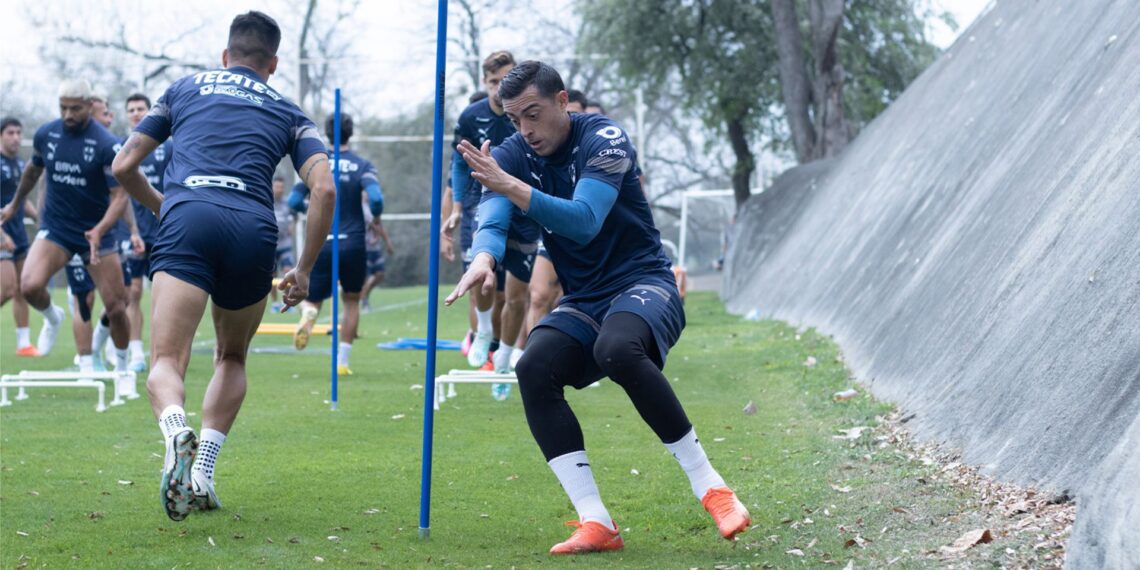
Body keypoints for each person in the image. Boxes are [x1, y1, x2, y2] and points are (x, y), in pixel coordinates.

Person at [448, 61, 749, 554]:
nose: (524, 129)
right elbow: (494, 216)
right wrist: (483, 256)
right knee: (534, 366)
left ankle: (712, 487)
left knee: (618, 349)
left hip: (643, 282)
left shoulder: (604, 138)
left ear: (563, 102)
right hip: (584, 297)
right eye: (514, 118)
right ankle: (596, 522)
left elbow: (585, 221)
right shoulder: (513, 153)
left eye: (533, 113)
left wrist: (513, 187)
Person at [111, 11, 335, 521]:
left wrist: (165, 206)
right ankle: (204, 470)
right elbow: (323, 188)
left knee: (168, 359)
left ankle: (174, 431)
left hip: (190, 215)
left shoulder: (185, 89)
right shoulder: (289, 109)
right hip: (254, 228)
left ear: (225, 55)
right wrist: (302, 269)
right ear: (272, 63)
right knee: (232, 356)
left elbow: (124, 165)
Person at [0, 80, 132, 367]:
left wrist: (100, 229)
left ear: (89, 106)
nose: (68, 114)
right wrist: (14, 204)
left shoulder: (107, 144)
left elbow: (120, 196)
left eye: (75, 108)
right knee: (30, 285)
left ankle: (122, 370)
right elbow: (32, 172)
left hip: (95, 231)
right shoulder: (47, 134)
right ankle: (52, 317)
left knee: (117, 307)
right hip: (57, 228)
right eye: (63, 108)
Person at [448, 50, 539, 400]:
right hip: (482, 206)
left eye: (506, 81)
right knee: (482, 280)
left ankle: (503, 361)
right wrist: (457, 207)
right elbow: (459, 163)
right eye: (493, 83)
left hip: (523, 207)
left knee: (516, 296)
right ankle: (484, 332)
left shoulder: (526, 113)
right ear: (484, 83)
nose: (500, 89)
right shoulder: (472, 116)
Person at [288, 113, 384, 376]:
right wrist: (375, 217)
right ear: (350, 133)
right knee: (351, 300)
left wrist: (313, 206)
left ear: (327, 134)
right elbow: (376, 199)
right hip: (353, 243)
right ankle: (342, 361)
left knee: (313, 299)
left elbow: (293, 202)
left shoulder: (315, 165)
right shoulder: (363, 166)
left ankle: (308, 315)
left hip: (322, 242)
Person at [119, 92, 174, 371]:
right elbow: (118, 195)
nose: (136, 113)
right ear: (126, 114)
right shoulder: (122, 148)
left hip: (163, 227)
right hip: (132, 232)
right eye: (131, 109)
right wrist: (129, 229)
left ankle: (158, 351)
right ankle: (136, 351)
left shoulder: (167, 147)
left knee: (161, 292)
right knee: (133, 291)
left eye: (141, 108)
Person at [0, 116, 40, 356]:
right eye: (10, 133)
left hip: (18, 234)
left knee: (22, 289)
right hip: (3, 236)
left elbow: (20, 200)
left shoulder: (19, 164)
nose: (15, 137)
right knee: (6, 288)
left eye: (18, 133)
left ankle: (24, 344)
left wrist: (39, 219)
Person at [361, 203, 393, 312]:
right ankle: (364, 302)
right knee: (366, 278)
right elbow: (375, 225)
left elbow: (378, 224)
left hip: (375, 248)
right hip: (365, 247)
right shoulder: (362, 207)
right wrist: (388, 241)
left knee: (380, 274)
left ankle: (364, 295)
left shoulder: (370, 206)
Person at [270, 175, 295, 312]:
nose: (279, 190)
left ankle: (287, 300)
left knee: (288, 272)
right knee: (271, 276)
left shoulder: (288, 203)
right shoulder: (267, 202)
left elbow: (293, 216)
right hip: (271, 245)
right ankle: (274, 303)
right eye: (277, 187)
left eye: (281, 187)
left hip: (285, 244)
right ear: (272, 187)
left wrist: (292, 225)